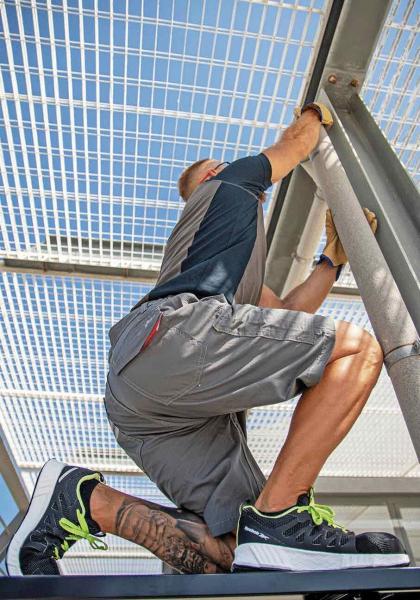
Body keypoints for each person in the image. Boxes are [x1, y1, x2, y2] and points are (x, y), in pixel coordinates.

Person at [6, 103, 409, 576]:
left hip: (154, 410)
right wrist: (317, 111)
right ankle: (282, 516)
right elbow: (296, 144)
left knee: (235, 548)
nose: (226, 166)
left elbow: (290, 317)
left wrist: (331, 261)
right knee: (356, 349)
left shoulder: (231, 265)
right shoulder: (230, 187)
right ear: (210, 180)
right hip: (171, 339)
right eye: (216, 166)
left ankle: (82, 500)